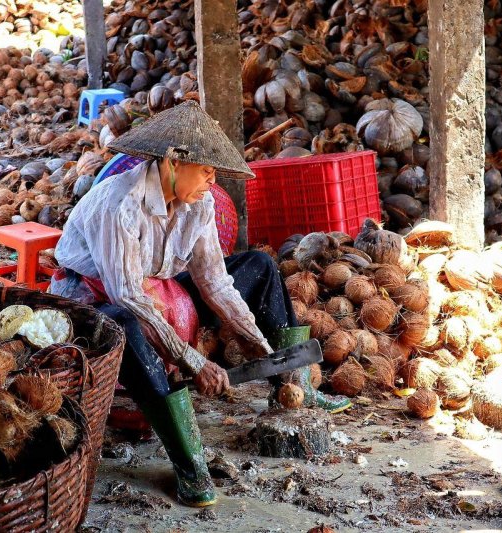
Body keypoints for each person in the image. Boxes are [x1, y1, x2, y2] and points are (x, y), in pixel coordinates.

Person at [50, 100, 350, 507]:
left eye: (214, 171)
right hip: (96, 302)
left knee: (259, 265)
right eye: (206, 169)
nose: (212, 179)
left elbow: (216, 282)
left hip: (158, 290)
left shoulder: (201, 203)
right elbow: (128, 296)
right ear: (173, 162)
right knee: (125, 323)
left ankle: (291, 384)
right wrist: (194, 361)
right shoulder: (117, 204)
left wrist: (257, 344)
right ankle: (188, 462)